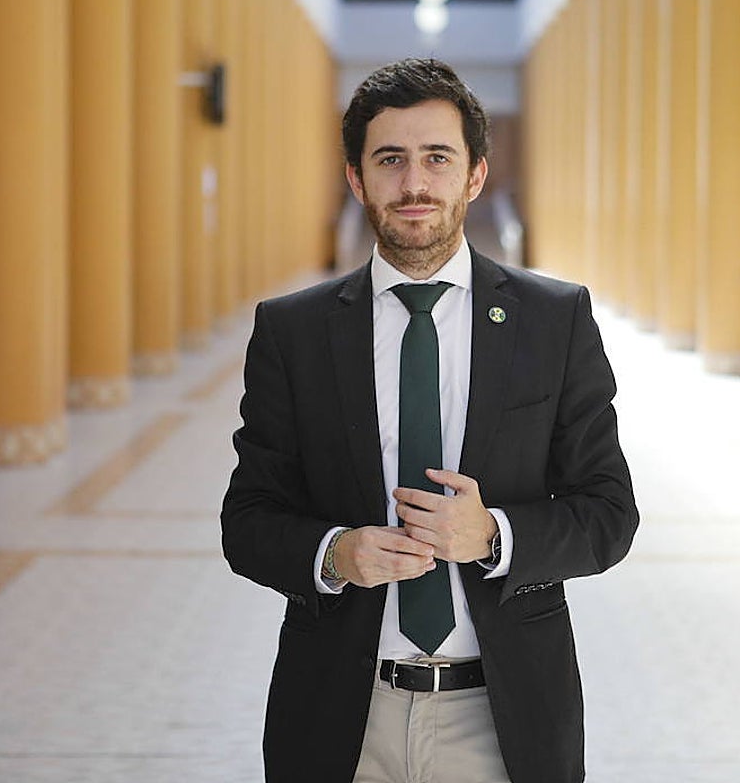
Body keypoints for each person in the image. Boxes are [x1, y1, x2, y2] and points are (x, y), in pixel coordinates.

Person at [221, 58, 638, 783]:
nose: (414, 184)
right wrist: (334, 553)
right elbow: (248, 519)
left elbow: (608, 515)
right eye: (390, 160)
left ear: (474, 175)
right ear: (357, 179)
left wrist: (493, 535)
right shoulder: (293, 331)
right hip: (342, 718)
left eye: (437, 158)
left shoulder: (554, 320)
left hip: (504, 720)